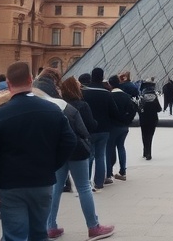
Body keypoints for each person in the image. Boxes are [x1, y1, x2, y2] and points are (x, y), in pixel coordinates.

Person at [0, 61, 75, 241]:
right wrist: (51, 165)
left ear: (8, 84)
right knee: (39, 234)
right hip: (43, 182)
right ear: (31, 80)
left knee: (14, 236)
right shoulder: (52, 110)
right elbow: (69, 142)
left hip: (11, 184)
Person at [41, 72, 115, 241]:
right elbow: (86, 128)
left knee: (56, 188)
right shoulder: (79, 106)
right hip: (77, 150)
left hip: (59, 151)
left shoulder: (55, 105)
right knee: (83, 187)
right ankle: (93, 227)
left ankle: (50, 226)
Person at [81, 67, 119, 190]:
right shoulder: (107, 93)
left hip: (88, 129)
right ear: (102, 77)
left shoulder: (84, 92)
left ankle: (86, 182)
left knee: (89, 156)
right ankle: (99, 182)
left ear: (92, 76)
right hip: (104, 129)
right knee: (100, 156)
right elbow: (114, 112)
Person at [106, 75, 136, 181]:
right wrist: (127, 121)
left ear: (110, 84)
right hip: (124, 127)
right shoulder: (126, 96)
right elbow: (133, 111)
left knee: (109, 149)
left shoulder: (109, 96)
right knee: (121, 147)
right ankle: (123, 171)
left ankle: (108, 173)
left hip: (113, 126)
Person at [138, 80, 163, 160]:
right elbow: (159, 109)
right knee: (150, 136)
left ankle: (145, 151)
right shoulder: (154, 97)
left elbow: (138, 108)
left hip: (143, 119)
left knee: (144, 135)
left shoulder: (142, 96)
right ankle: (149, 153)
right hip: (153, 119)